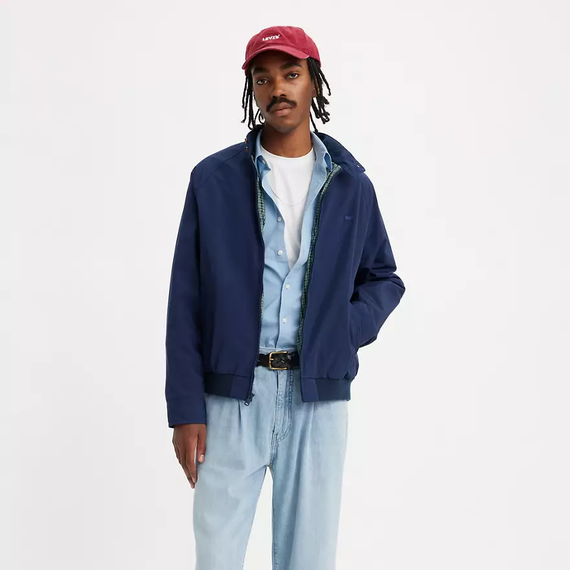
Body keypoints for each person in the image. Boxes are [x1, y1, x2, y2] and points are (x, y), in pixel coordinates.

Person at [165, 25, 406, 570]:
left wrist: (342, 333)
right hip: (231, 398)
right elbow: (185, 301)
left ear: (313, 82)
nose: (277, 88)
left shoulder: (350, 184)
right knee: (217, 555)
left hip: (317, 400)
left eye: (291, 74)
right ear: (251, 89)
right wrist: (184, 408)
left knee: (309, 558)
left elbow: (383, 277)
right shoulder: (213, 181)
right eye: (263, 78)